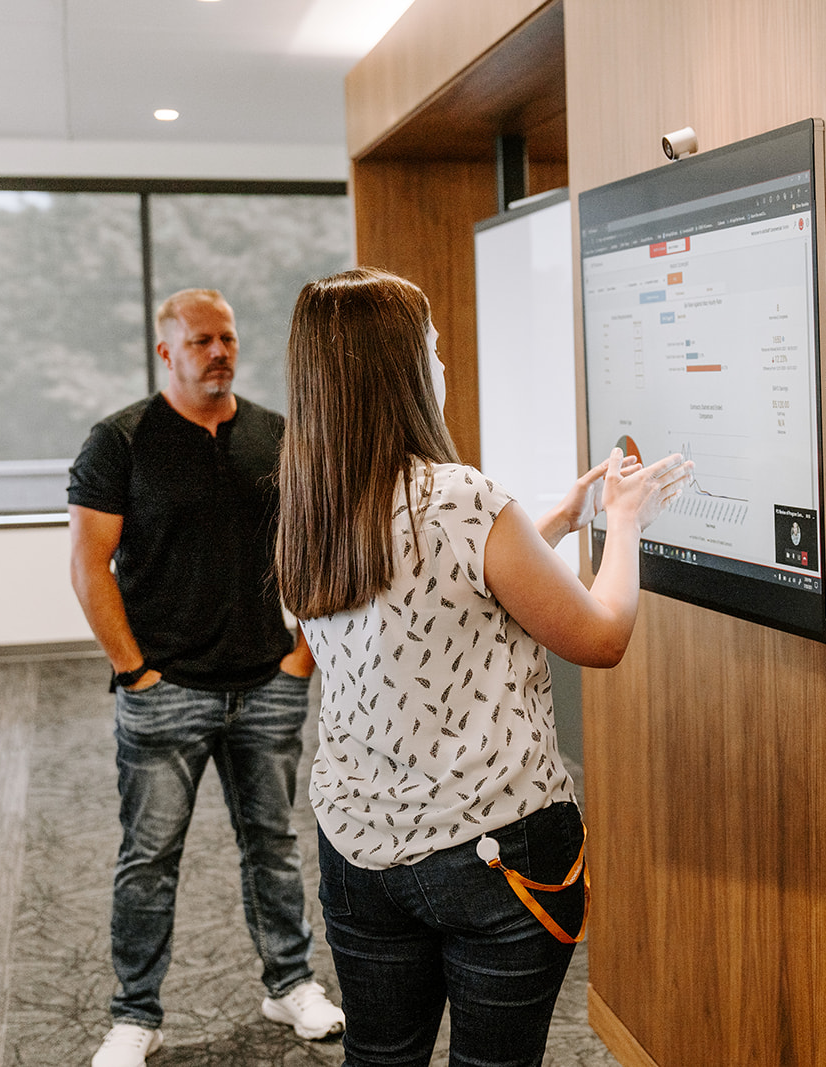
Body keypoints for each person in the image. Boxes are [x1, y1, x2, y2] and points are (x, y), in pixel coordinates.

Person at [274, 267, 691, 1067]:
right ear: (398, 371)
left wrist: (557, 523)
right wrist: (624, 523)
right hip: (491, 856)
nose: (441, 364)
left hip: (358, 850)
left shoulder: (310, 502)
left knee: (381, 1056)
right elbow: (600, 635)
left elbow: (424, 597)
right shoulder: (460, 496)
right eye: (430, 348)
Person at [68, 288, 345, 1067]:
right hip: (166, 690)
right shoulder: (121, 441)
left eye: (226, 338)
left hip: (268, 681)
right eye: (200, 341)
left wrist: (302, 657)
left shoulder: (275, 435)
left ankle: (289, 981)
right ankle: (135, 1014)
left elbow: (321, 547)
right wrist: (136, 672)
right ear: (168, 352)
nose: (218, 351)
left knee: (274, 845)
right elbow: (90, 565)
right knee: (149, 857)